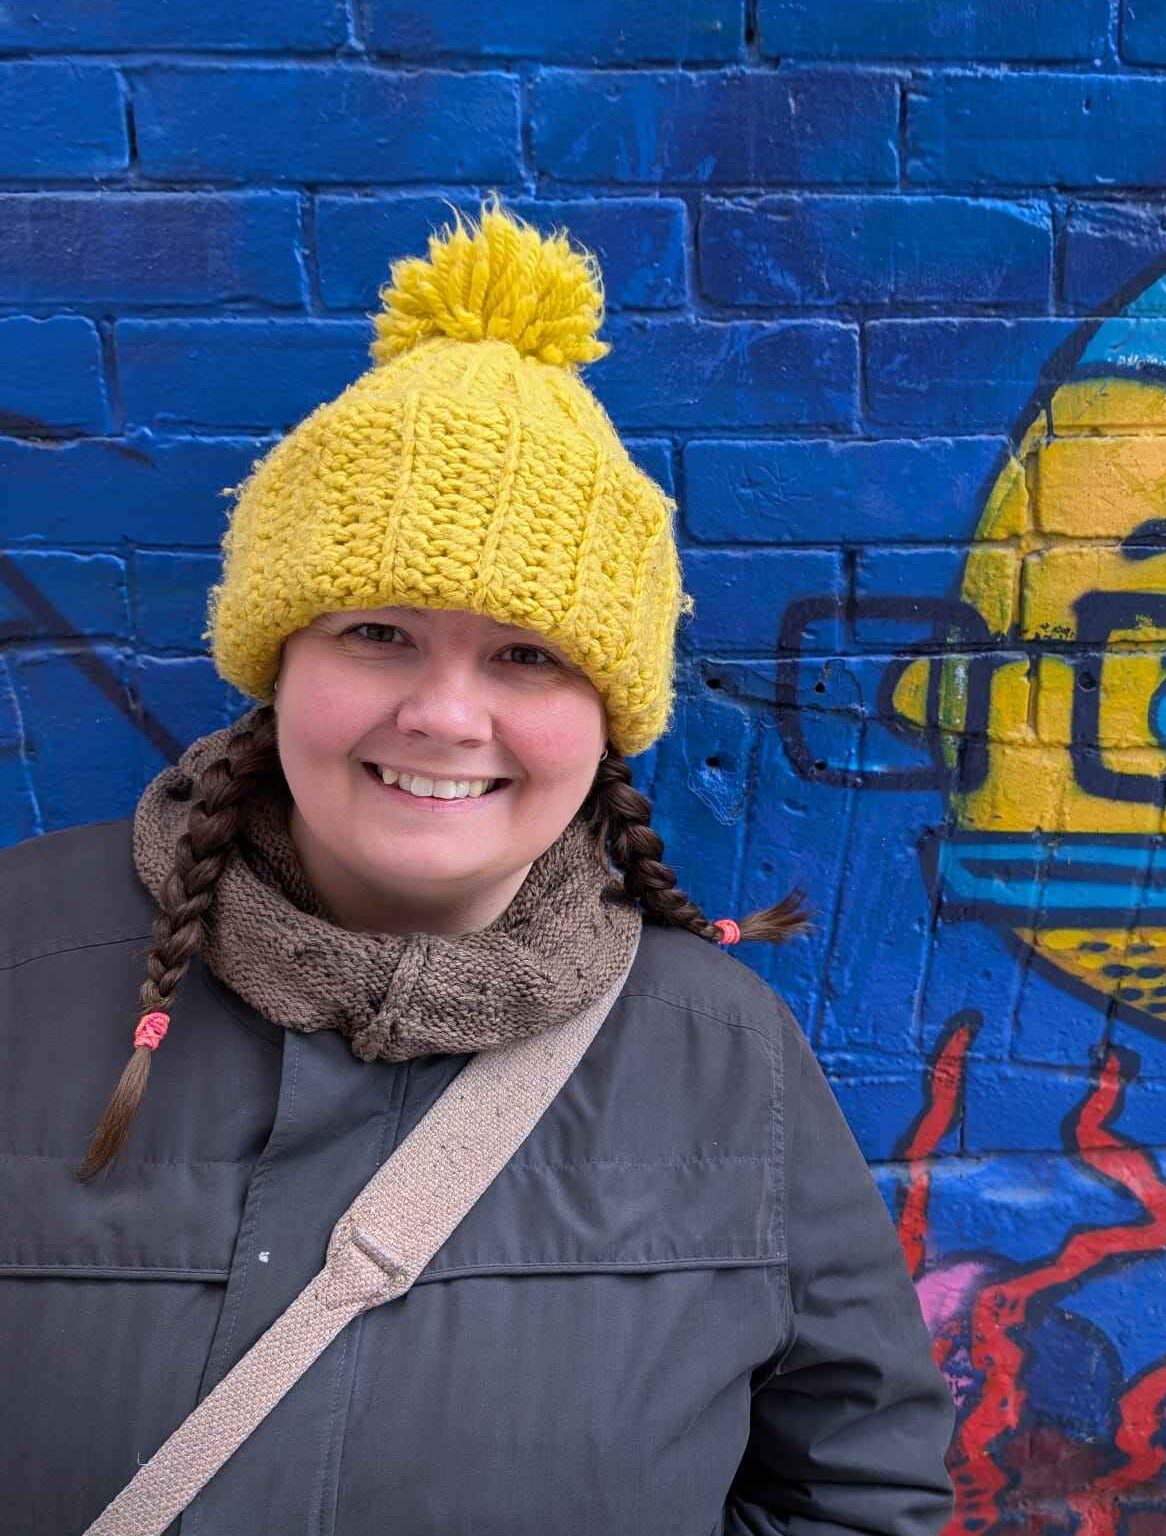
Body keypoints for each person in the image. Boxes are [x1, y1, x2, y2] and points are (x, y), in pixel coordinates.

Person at [0, 199, 956, 1535]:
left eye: (527, 654)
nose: (446, 716)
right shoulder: (18, 967)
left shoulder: (726, 1060)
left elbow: (857, 1488)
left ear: (609, 715)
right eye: (381, 633)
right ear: (280, 662)